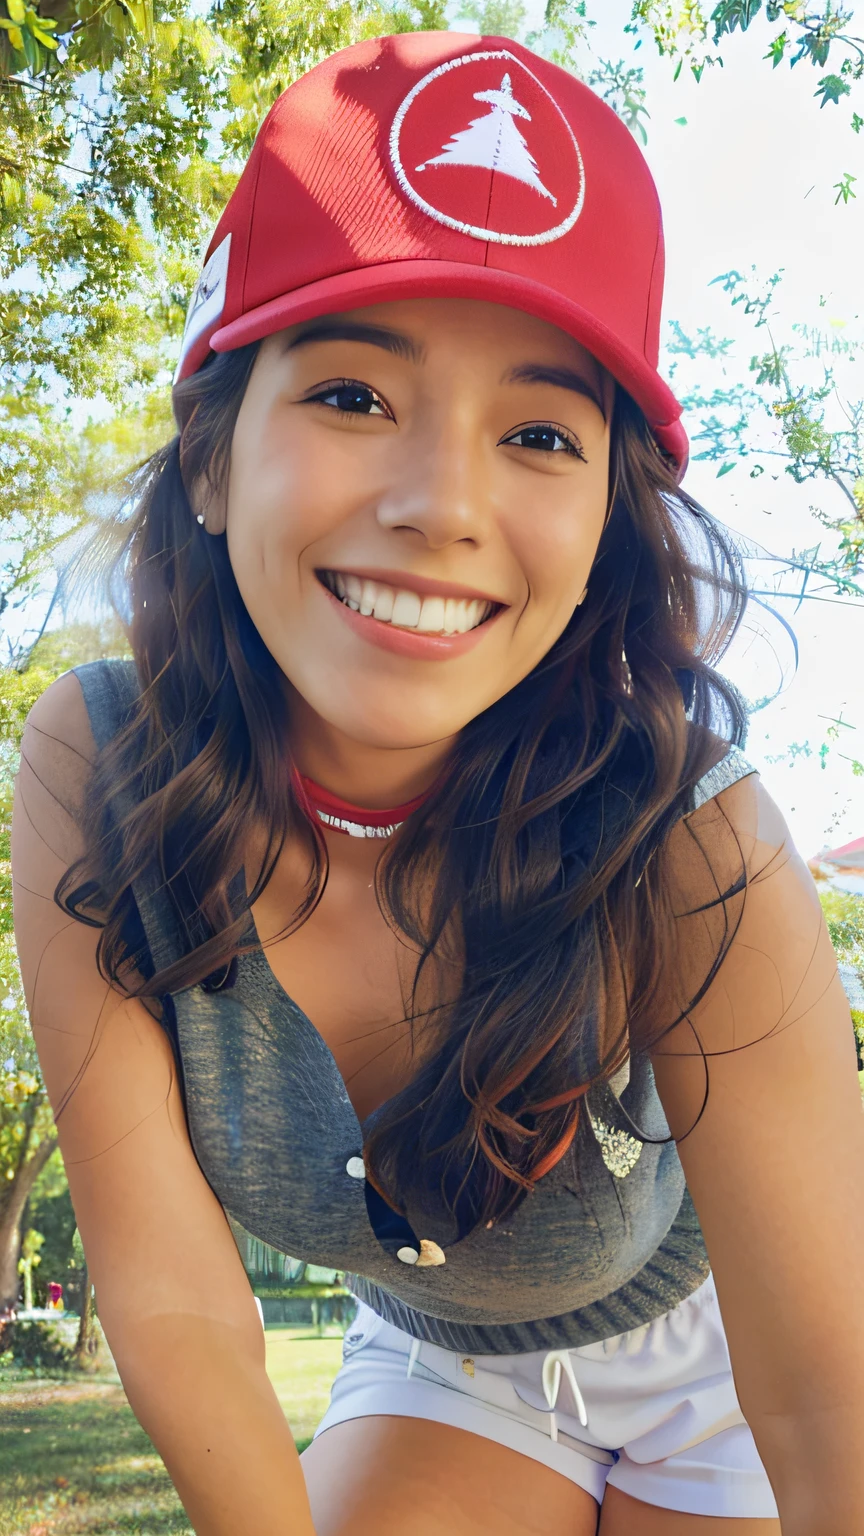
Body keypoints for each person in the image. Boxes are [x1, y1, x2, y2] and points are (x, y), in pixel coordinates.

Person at [11, 29, 863, 1536]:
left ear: (608, 515)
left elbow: (825, 1397)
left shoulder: (694, 833)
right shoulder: (101, 766)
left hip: (730, 1359)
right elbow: (176, 1291)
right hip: (448, 1368)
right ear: (211, 456)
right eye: (350, 395)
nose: (441, 507)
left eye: (539, 432)